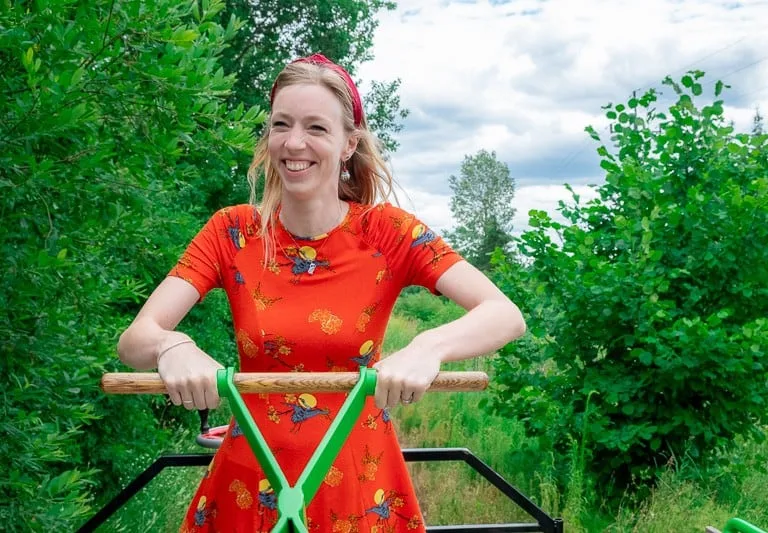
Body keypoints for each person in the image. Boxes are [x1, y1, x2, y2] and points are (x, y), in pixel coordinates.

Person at [117, 53, 526, 532]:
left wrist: (427, 347)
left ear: (349, 142)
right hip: (251, 482)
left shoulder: (389, 233)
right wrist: (172, 345)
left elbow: (504, 315)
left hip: (358, 483)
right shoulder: (232, 232)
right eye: (281, 124)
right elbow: (135, 339)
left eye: (316, 128)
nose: (294, 143)